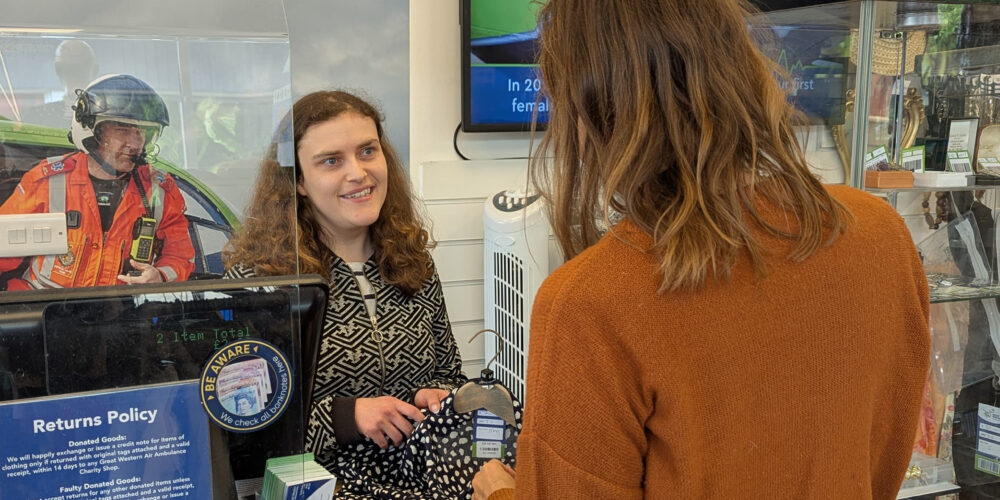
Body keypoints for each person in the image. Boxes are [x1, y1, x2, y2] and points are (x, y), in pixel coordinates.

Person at [472, 0, 930, 499]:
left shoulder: (592, 301)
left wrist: (500, 493)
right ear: (739, 66)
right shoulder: (881, 233)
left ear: (591, 109)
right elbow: (882, 453)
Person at [223, 90, 466, 467]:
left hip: (426, 475)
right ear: (298, 181)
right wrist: (345, 417)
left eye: (368, 151)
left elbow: (449, 372)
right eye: (331, 161)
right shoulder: (259, 282)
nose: (357, 172)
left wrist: (438, 395)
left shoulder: (414, 262)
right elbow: (244, 424)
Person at [0, 74, 195, 289]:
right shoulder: (46, 182)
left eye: (143, 132)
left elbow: (181, 256)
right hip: (46, 309)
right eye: (122, 129)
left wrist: (160, 276)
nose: (135, 143)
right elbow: (3, 249)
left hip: (118, 312)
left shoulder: (160, 191)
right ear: (90, 129)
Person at [19, 40, 100, 128]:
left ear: (57, 69)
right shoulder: (108, 115)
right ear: (95, 70)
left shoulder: (37, 116)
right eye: (71, 69)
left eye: (78, 69)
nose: (75, 75)